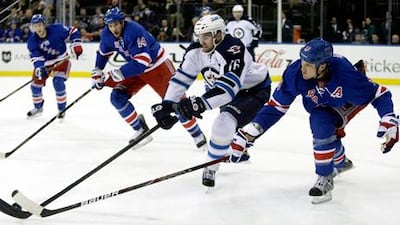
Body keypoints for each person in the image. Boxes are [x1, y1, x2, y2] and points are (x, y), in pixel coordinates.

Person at [229, 38, 399, 204]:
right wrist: (249, 132)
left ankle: (325, 177)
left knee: (320, 123)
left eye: (309, 64)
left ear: (323, 65)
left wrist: (388, 117)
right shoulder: (295, 72)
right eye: (302, 61)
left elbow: (379, 93)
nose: (303, 68)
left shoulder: (345, 75)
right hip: (320, 104)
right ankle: (340, 160)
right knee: (324, 128)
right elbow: (276, 107)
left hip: (347, 103)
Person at [151, 14, 272, 187]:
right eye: (200, 36)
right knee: (225, 128)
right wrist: (167, 104)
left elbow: (229, 89)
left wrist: (198, 103)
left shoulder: (233, 48)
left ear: (218, 34)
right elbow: (181, 80)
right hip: (223, 91)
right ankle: (234, 148)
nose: (202, 41)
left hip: (253, 91)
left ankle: (211, 166)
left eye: (206, 36)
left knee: (223, 123)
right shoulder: (196, 51)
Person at [91, 7, 206, 148]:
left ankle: (197, 134)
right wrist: (97, 71)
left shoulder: (134, 30)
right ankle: (140, 129)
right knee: (117, 97)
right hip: (136, 68)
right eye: (110, 25)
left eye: (116, 24)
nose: (113, 28)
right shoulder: (107, 35)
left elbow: (142, 63)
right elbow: (103, 53)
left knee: (177, 103)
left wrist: (114, 75)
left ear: (122, 22)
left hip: (157, 66)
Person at [27, 14, 83, 119]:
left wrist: (76, 44)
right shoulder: (32, 41)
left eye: (39, 25)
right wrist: (39, 68)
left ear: (44, 25)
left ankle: (62, 109)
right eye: (35, 26)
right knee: (35, 85)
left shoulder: (57, 29)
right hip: (46, 63)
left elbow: (73, 31)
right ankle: (38, 107)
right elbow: (36, 58)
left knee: (58, 82)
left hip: (62, 60)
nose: (38, 28)